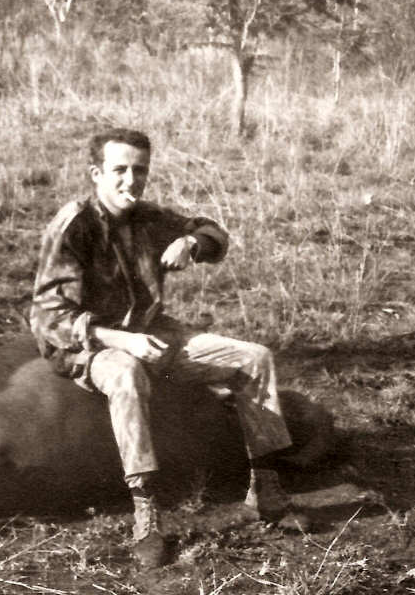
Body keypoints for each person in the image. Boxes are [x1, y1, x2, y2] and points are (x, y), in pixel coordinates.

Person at [30, 127, 306, 569]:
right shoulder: (74, 225)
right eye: (120, 170)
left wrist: (191, 242)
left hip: (151, 331)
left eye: (140, 170)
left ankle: (266, 488)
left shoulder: (149, 217)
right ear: (96, 174)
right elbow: (48, 319)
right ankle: (146, 511)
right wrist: (122, 340)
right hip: (90, 345)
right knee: (125, 373)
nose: (131, 181)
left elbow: (214, 233)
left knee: (255, 358)